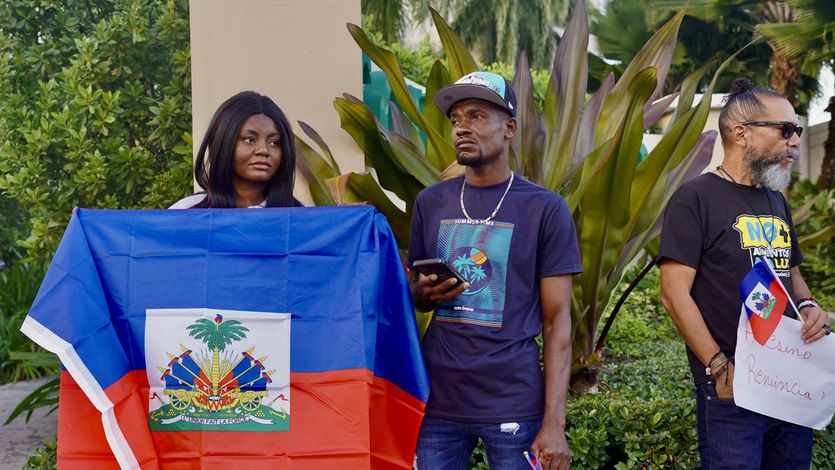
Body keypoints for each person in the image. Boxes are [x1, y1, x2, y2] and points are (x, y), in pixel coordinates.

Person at [408, 71, 581, 470]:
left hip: (514, 404)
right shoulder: (430, 202)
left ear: (510, 128)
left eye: (476, 116)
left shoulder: (545, 209)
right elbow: (415, 296)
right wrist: (424, 293)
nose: (462, 128)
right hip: (438, 404)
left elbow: (558, 322)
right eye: (455, 120)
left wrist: (554, 424)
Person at [659, 78, 831, 469]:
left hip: (788, 380)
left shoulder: (775, 199)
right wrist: (718, 367)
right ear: (741, 133)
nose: (794, 140)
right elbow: (673, 294)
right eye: (785, 129)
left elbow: (791, 272)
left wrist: (808, 305)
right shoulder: (694, 198)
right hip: (733, 387)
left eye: (798, 131)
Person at [170, 91, 300, 209]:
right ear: (221, 144)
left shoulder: (305, 221)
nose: (264, 150)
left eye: (274, 142)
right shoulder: (184, 213)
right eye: (249, 140)